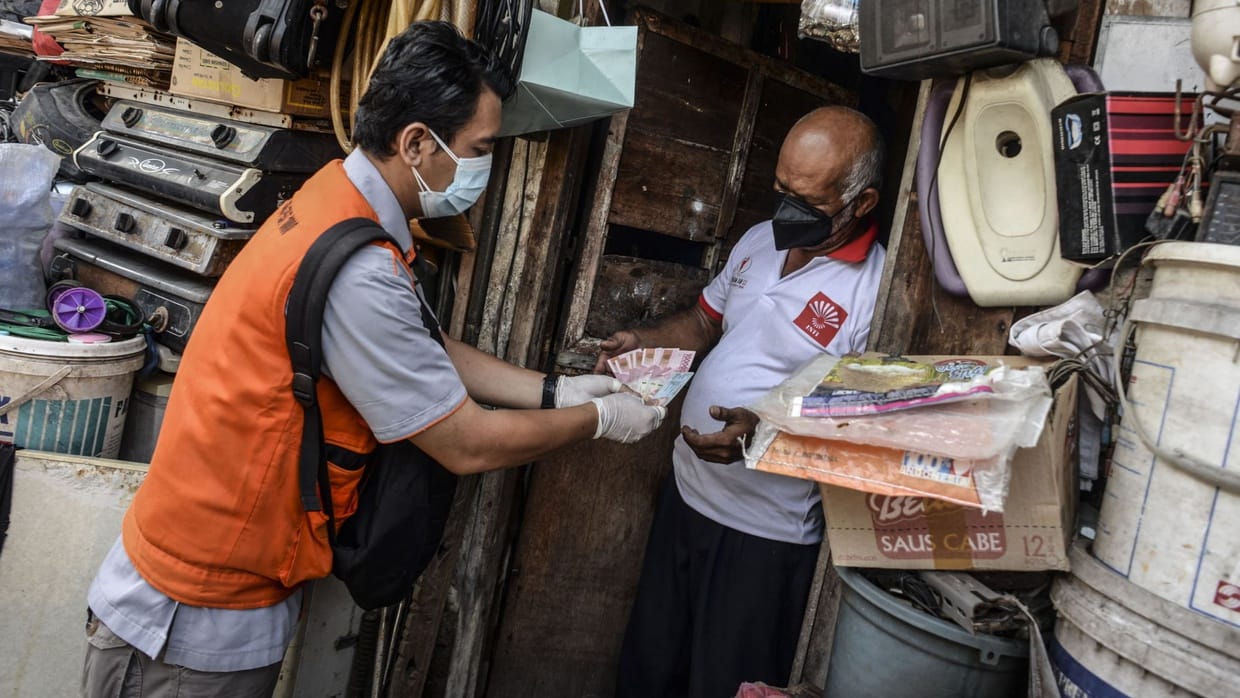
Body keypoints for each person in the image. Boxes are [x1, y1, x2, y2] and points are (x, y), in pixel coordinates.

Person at [81, 21, 665, 697]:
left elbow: (419, 345)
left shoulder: (336, 203)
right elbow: (465, 443)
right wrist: (600, 419)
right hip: (189, 622)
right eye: (479, 149)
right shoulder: (359, 266)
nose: (485, 167)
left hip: (212, 589)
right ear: (417, 141)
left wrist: (554, 391)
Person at [605, 106, 887, 697]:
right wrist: (645, 341)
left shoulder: (874, 293)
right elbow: (705, 324)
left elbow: (858, 422)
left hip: (765, 537)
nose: (785, 210)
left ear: (861, 203)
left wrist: (762, 433)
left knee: (723, 685)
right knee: (648, 672)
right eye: (780, 189)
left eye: (806, 202)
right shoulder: (759, 240)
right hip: (685, 499)